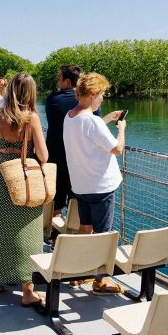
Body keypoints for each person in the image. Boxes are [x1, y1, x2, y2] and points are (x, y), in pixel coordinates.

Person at [0, 72, 48, 308]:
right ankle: (28, 291)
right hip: (25, 181)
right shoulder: (32, 119)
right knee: (28, 233)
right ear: (30, 92)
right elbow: (43, 155)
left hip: (3, 177)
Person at [63, 72, 126, 294]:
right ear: (91, 94)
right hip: (101, 187)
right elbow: (117, 149)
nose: (102, 99)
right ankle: (100, 281)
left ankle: (80, 274)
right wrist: (121, 130)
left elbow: (88, 131)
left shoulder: (70, 116)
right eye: (101, 94)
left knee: (85, 229)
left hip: (81, 186)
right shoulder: (92, 121)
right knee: (103, 235)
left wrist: (106, 118)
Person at [44, 65, 103, 216]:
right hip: (80, 161)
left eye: (60, 79)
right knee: (77, 203)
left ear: (67, 81)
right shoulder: (91, 103)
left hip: (56, 159)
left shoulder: (53, 100)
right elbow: (97, 126)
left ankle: (52, 235)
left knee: (55, 203)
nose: (58, 82)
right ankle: (74, 234)